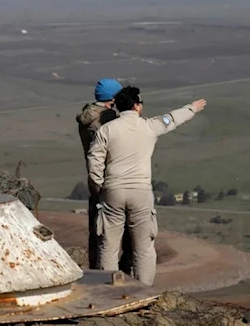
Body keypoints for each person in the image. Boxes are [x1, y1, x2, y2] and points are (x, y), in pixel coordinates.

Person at [87, 85, 206, 285]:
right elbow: (171, 119)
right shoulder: (149, 126)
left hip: (113, 191)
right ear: (136, 106)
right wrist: (191, 108)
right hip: (141, 193)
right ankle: (143, 290)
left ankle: (108, 289)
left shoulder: (106, 130)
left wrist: (100, 187)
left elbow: (94, 160)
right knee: (143, 247)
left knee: (108, 246)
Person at [76, 78, 133, 274]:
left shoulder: (87, 116)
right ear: (113, 99)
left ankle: (96, 275)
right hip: (113, 182)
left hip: (96, 183)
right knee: (118, 237)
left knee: (98, 234)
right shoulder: (106, 121)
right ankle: (118, 280)